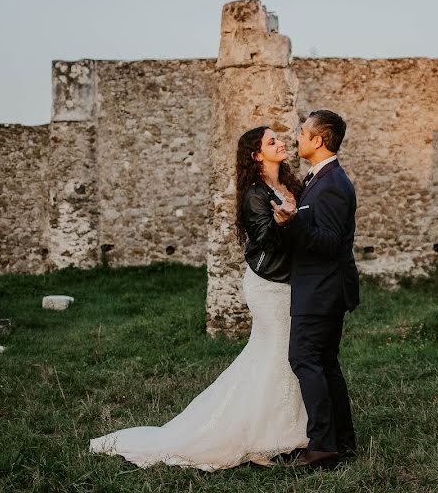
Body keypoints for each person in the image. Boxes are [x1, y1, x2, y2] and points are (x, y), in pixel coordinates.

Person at [89, 126, 309, 471]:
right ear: (256, 155)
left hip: (291, 282)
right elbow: (264, 239)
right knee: (278, 351)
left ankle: (287, 430)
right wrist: (282, 223)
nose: (280, 143)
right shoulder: (255, 193)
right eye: (271, 141)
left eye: (278, 139)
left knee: (283, 354)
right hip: (269, 285)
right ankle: (261, 436)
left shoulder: (292, 186)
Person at [273, 109, 359, 468]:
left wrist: (293, 223)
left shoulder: (334, 185)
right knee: (325, 363)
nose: (297, 137)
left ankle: (322, 444)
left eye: (302, 132)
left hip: (322, 290)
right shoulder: (318, 180)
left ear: (318, 140)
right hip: (319, 287)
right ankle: (342, 441)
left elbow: (328, 243)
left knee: (304, 359)